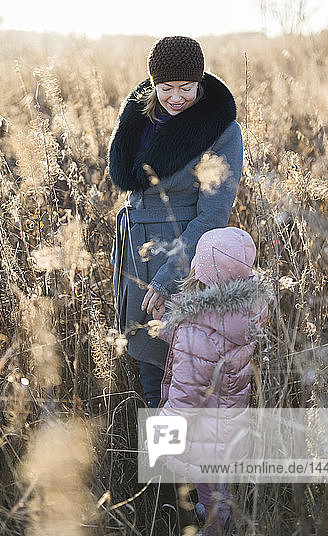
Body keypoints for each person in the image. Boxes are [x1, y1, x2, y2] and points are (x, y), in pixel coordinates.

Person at [107, 35, 244, 409]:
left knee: (173, 375)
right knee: (149, 371)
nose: (176, 97)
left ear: (200, 83)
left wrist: (169, 279)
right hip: (136, 254)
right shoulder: (139, 118)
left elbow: (213, 216)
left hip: (179, 261)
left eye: (186, 87)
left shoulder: (221, 131)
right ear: (153, 84)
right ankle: (167, 464)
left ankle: (174, 466)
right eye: (165, 87)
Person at [153, 227, 269, 536]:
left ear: (202, 272)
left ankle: (217, 529)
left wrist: (163, 432)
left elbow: (186, 392)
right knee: (220, 478)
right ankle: (222, 517)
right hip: (229, 417)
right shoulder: (243, 311)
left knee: (209, 483)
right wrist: (169, 320)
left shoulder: (198, 329)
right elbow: (199, 337)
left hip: (203, 425)